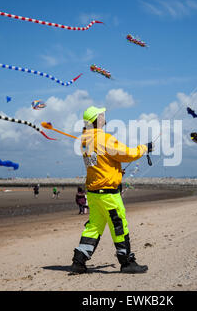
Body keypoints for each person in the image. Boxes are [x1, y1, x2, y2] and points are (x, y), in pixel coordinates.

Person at [70, 106, 153, 274]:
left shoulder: (85, 141)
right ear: (97, 119)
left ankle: (79, 261)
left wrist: (115, 170)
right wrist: (144, 148)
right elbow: (127, 154)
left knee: (93, 227)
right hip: (108, 194)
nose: (104, 116)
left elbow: (101, 163)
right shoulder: (103, 139)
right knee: (119, 226)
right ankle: (127, 262)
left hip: (93, 194)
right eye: (102, 114)